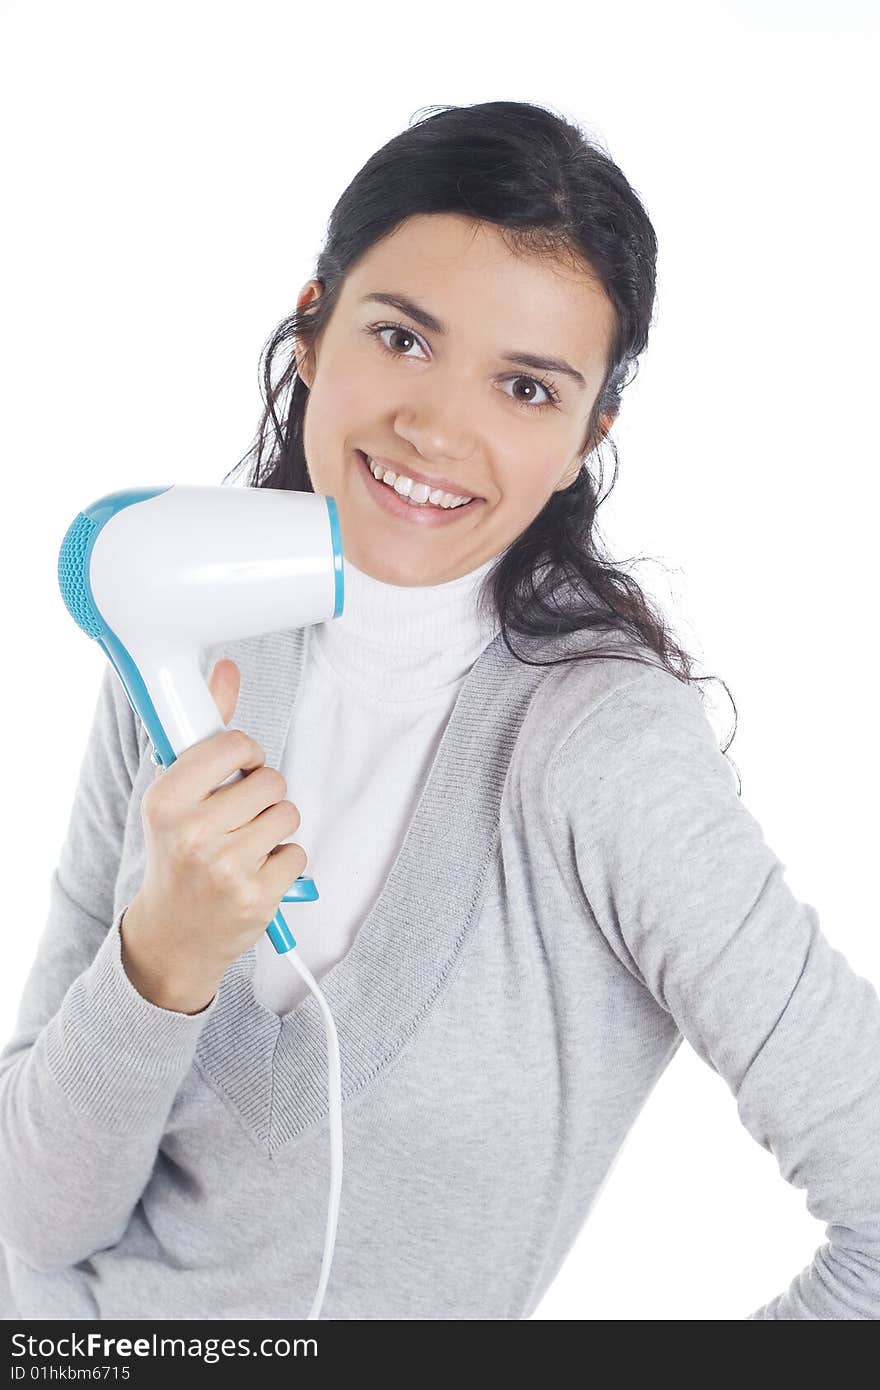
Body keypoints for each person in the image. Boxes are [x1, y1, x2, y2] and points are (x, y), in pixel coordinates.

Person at [2, 99, 879, 1321]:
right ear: (311, 328)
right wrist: (165, 953)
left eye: (525, 386)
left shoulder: (601, 756)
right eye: (403, 339)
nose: (438, 427)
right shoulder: (187, 625)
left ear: (586, 436)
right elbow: (37, 1217)